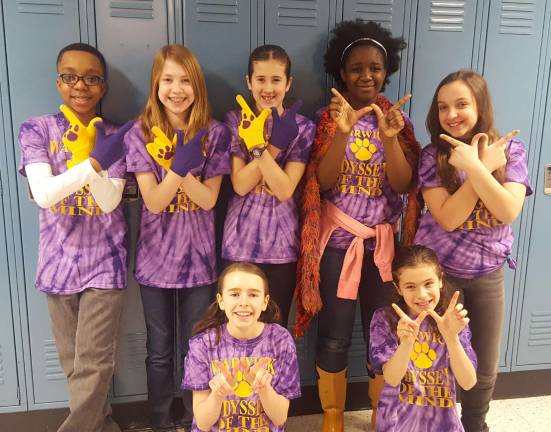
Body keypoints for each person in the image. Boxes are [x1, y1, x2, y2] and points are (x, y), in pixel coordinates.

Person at [293, 20, 422, 431]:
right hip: (337, 246)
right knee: (334, 336)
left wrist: (388, 139)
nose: (366, 75)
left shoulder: (397, 121)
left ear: (387, 71)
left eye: (375, 68)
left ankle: (381, 413)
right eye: (356, 68)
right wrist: (343, 134)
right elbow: (324, 181)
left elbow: (403, 185)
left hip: (383, 246)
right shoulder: (328, 119)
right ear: (341, 73)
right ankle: (333, 415)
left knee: (383, 334)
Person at [18, 42, 132, 432]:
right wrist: (92, 163)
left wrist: (95, 163)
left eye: (91, 78)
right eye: (70, 76)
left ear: (103, 86)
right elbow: (45, 195)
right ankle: (102, 427)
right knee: (74, 366)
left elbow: (107, 202)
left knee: (95, 363)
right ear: (58, 81)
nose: (80, 85)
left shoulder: (116, 134)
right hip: (57, 263)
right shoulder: (36, 129)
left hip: (105, 262)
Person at [414, 69, 532, 432]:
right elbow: (448, 218)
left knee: (485, 362)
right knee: (435, 355)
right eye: (444, 106)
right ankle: (437, 421)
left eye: (462, 104)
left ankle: (476, 423)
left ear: (480, 105)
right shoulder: (432, 155)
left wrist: (476, 168)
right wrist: (481, 169)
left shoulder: (510, 150)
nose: (452, 114)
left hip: (488, 273)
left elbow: (507, 210)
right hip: (439, 276)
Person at [124, 44, 230, 432]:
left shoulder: (215, 133)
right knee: (159, 349)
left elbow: (209, 199)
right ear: (156, 84)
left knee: (195, 347)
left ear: (197, 86)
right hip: (154, 260)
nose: (176, 89)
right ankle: (159, 420)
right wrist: (179, 166)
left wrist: (180, 167)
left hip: (199, 263)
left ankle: (192, 418)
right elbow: (152, 201)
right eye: (168, 79)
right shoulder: (140, 132)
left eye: (185, 80)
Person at [221, 44, 315, 327]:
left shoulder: (302, 127)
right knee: (236, 331)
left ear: (288, 83)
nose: (268, 88)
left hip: (282, 247)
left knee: (274, 330)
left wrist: (260, 149)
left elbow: (285, 188)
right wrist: (272, 147)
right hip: (239, 245)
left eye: (276, 80)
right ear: (249, 82)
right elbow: (239, 184)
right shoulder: (236, 121)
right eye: (260, 79)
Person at [370, 245, 477, 431]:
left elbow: (468, 382)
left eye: (428, 283)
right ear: (398, 288)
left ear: (440, 280)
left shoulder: (452, 319)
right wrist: (406, 343)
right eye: (410, 286)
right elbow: (392, 378)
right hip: (397, 423)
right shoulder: (385, 320)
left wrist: (451, 338)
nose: (422, 294)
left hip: (442, 424)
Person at [183, 262, 301, 431]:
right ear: (221, 301)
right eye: (235, 294)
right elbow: (203, 423)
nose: (244, 302)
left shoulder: (280, 340)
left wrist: (264, 389)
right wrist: (217, 395)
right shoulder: (202, 345)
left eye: (253, 295)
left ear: (265, 302)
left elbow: (280, 417)